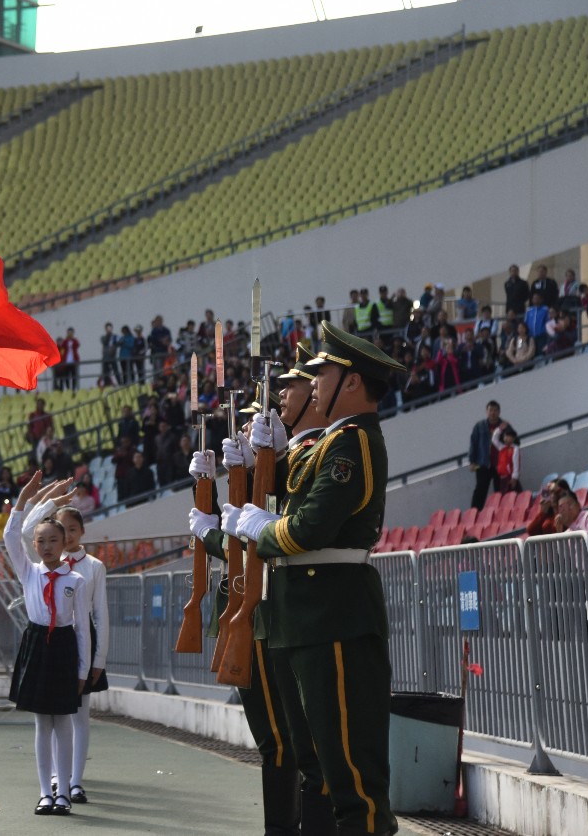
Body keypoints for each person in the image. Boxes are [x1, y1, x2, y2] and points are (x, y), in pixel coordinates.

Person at [224, 321, 403, 836]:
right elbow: (291, 489)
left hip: (335, 618)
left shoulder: (355, 443)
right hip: (308, 619)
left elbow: (309, 526)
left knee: (353, 778)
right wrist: (259, 461)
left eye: (323, 372)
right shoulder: (332, 442)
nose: (314, 382)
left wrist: (263, 527)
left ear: (351, 382)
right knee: (320, 767)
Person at [194, 351, 335, 836]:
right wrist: (217, 489)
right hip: (254, 609)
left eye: (295, 386)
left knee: (289, 742)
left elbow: (261, 533)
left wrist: (214, 530)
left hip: (277, 610)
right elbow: (244, 531)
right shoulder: (288, 459)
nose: (284, 395)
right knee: (277, 740)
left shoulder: (314, 454)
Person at [5, 476, 91, 817]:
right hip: (37, 643)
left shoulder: (76, 580)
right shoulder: (29, 572)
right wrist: (24, 499)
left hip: (64, 646)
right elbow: (11, 537)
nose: (46, 546)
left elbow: (83, 628)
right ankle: (45, 791)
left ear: (64, 543)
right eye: (41, 541)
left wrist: (83, 670)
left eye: (54, 540)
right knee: (43, 724)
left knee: (65, 722)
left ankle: (65, 790)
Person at [44, 505, 108, 806]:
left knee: (80, 715)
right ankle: (57, 777)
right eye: (61, 529)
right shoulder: (45, 565)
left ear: (82, 531)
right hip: (54, 643)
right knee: (56, 714)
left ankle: (76, 782)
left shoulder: (93, 566)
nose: (66, 535)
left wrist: (98, 661)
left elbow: (101, 617)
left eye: (72, 529)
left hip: (83, 643)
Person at [493, 429, 522, 495]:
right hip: (502, 477)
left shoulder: (515, 449)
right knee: (505, 497)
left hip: (510, 477)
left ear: (513, 439)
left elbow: (516, 464)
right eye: (505, 436)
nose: (505, 438)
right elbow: (494, 439)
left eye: (508, 437)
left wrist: (514, 477)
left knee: (515, 495)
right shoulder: (502, 448)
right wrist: (499, 429)